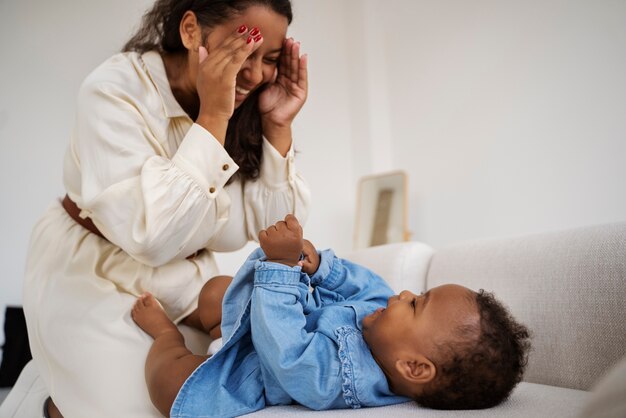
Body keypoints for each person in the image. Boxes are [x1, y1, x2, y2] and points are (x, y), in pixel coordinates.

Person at [15, 1, 310, 417]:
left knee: (225, 389)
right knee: (137, 408)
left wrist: (278, 126)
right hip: (93, 269)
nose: (256, 73)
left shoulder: (250, 108)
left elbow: (273, 232)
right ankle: (50, 402)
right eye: (242, 49)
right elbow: (151, 238)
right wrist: (212, 118)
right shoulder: (114, 90)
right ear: (191, 31)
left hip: (186, 276)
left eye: (270, 59)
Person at [131, 215, 532, 417]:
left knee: (169, 387)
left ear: (412, 366)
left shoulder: (342, 378)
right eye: (419, 293)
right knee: (216, 290)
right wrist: (319, 265)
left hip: (258, 366)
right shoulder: (385, 319)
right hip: (269, 321)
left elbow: (284, 352)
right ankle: (216, 326)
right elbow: (368, 287)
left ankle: (167, 335)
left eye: (415, 304)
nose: (405, 294)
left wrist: (279, 267)